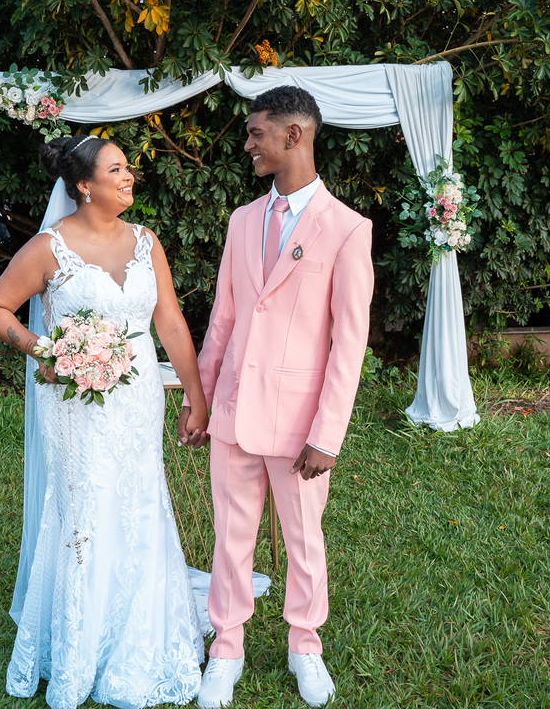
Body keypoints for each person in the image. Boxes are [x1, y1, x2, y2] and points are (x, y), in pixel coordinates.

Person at [0, 134, 210, 709]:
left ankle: (141, 637)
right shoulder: (49, 248)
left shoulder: (146, 242)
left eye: (128, 168)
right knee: (86, 508)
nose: (129, 177)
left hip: (137, 401)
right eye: (116, 170)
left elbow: (172, 324)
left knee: (139, 503)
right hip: (76, 407)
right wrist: (45, 352)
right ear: (84, 186)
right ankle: (81, 645)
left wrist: (196, 395)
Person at [180, 86, 375, 708]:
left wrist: (328, 433)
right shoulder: (242, 221)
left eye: (257, 133)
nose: (248, 144)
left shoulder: (346, 230)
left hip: (300, 424)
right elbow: (224, 318)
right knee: (229, 534)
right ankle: (226, 648)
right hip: (235, 410)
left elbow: (350, 342)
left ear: (294, 135)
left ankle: (304, 645)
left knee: (302, 537)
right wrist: (201, 396)